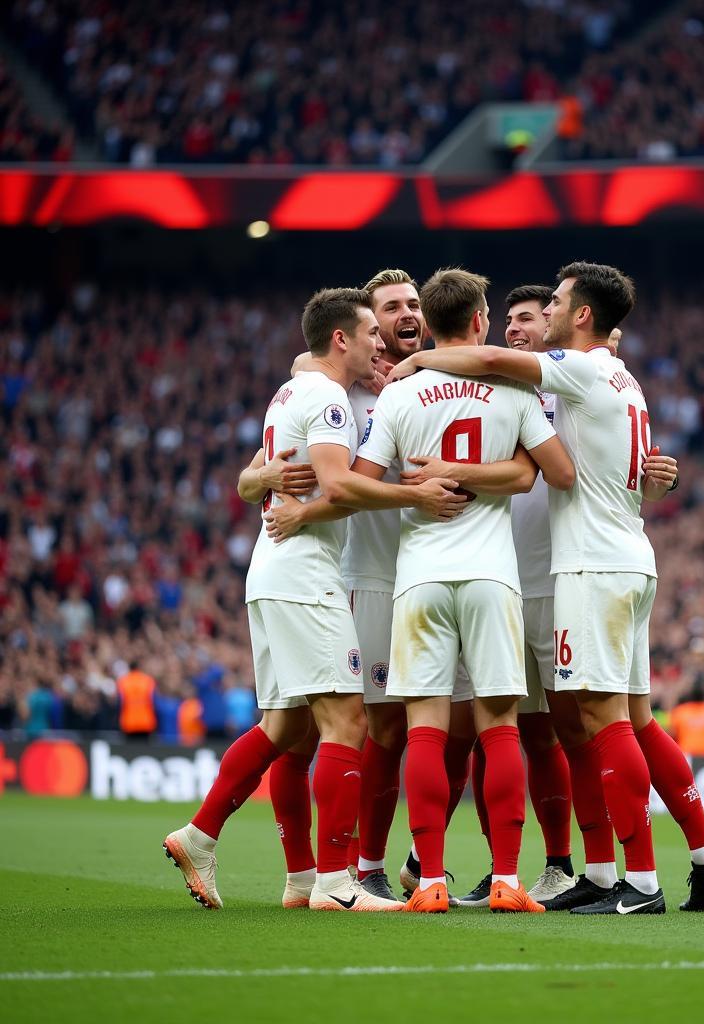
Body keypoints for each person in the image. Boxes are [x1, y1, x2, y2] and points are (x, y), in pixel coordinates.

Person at [387, 261, 704, 915]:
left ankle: (640, 882)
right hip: (617, 559)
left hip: (584, 570)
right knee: (606, 720)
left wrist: (419, 365)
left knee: (598, 723)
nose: (543, 312)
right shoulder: (618, 376)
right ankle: (611, 871)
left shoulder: (576, 370)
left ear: (580, 314)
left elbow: (499, 370)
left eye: (554, 302)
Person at [163, 287, 466, 912]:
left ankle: (207, 837)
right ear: (342, 339)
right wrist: (419, 494)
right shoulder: (328, 394)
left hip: (274, 571)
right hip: (309, 577)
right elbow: (336, 484)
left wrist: (268, 478)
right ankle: (336, 882)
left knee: (284, 725)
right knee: (346, 721)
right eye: (370, 332)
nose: (380, 342)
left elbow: (264, 474)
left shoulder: (292, 389)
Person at [255, 270, 543, 906]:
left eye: (415, 304)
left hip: (419, 575)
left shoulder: (402, 387)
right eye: (391, 308)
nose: (406, 314)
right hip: (370, 576)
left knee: (443, 725)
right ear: (366, 328)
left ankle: (420, 859)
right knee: (366, 728)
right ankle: (355, 865)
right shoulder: (349, 386)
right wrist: (296, 504)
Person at [356, 268, 576, 913]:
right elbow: (549, 472)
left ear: (427, 327)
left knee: (422, 728)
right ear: (481, 322)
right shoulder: (510, 390)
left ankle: (428, 883)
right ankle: (508, 878)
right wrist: (495, 473)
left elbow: (364, 481)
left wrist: (419, 483)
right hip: (492, 576)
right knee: (500, 726)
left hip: (417, 577)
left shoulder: (398, 395)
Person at [117, 661, 157, 741]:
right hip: (146, 722)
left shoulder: (123, 681)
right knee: (144, 750)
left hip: (129, 722)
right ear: (139, 668)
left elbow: (120, 702)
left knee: (130, 750)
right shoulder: (148, 680)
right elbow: (153, 701)